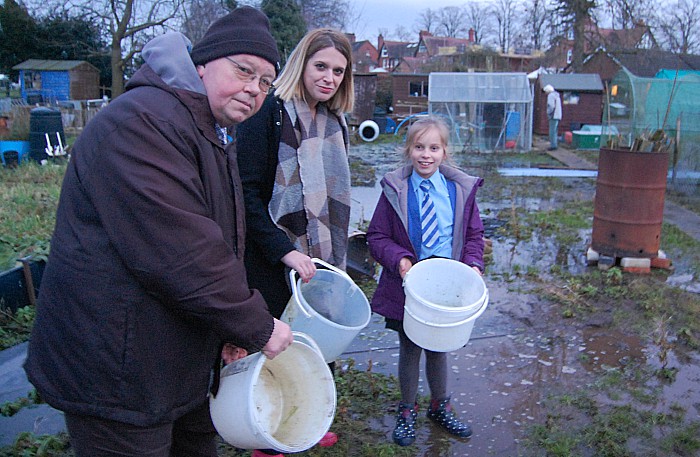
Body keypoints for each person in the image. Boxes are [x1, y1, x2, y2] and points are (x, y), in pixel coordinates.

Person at [23, 7, 293, 457]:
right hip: (117, 368)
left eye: (266, 81)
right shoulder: (141, 123)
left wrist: (227, 327)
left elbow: (220, 241)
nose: (254, 89)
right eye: (244, 71)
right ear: (202, 64)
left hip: (173, 356)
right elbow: (180, 251)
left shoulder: (208, 129)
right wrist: (253, 324)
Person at [235, 28, 354, 457]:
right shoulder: (269, 113)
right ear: (301, 64)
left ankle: (309, 415)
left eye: (339, 71)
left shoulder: (334, 121)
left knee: (314, 339)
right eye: (321, 66)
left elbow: (335, 197)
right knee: (273, 342)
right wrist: (284, 250)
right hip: (271, 258)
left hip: (322, 257)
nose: (329, 77)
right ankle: (264, 431)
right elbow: (244, 193)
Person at [366, 116, 485, 447]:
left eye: (434, 147)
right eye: (419, 147)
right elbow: (376, 236)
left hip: (446, 286)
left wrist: (473, 265)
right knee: (410, 344)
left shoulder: (458, 192)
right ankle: (407, 410)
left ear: (445, 152)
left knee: (439, 347)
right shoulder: (396, 192)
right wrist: (399, 260)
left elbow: (474, 234)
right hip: (410, 285)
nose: (426, 155)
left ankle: (439, 405)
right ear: (409, 150)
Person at [543, 84, 562, 150]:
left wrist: (548, 112)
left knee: (552, 131)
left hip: (553, 115)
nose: (545, 93)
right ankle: (554, 144)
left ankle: (553, 146)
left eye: (545, 91)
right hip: (558, 115)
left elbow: (551, 106)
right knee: (555, 131)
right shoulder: (557, 96)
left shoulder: (551, 96)